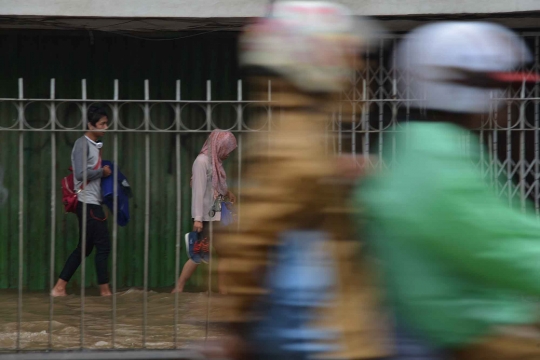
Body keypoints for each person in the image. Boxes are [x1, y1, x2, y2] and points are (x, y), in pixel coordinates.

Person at [206, 2, 392, 360]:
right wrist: (234, 328)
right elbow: (249, 245)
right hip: (324, 336)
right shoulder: (295, 143)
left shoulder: (305, 134)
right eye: (351, 57)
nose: (359, 69)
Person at [356, 22, 540, 360]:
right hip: (454, 332)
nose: (512, 99)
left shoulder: (416, 146)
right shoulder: (437, 158)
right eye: (500, 87)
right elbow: (499, 244)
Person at [51, 105, 112, 297]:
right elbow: (79, 173)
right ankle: (105, 292)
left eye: (106, 123)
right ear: (90, 124)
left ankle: (59, 288)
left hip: (93, 202)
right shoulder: (82, 144)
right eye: (102, 124)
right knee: (103, 246)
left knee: (84, 248)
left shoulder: (94, 145)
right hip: (88, 203)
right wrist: (102, 172)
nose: (106, 127)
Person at [172, 130, 237, 294]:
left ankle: (223, 290)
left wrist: (227, 193)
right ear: (219, 146)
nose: (228, 153)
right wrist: (198, 219)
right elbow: (198, 192)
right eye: (227, 149)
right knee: (198, 255)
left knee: (224, 253)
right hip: (206, 218)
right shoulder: (201, 162)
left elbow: (215, 186)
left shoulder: (215, 162)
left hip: (216, 214)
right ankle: (179, 288)